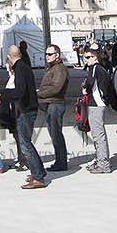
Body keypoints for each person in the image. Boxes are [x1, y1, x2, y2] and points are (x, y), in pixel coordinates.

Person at [0, 43, 47, 189]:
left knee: (25, 144)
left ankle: (38, 177)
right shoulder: (24, 66)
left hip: (26, 110)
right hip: (27, 109)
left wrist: (3, 96)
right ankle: (38, 171)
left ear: (9, 56)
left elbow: (19, 92)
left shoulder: (19, 68)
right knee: (26, 142)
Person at [79, 46, 116, 173]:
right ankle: (100, 159)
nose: (86, 60)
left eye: (89, 57)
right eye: (85, 57)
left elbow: (90, 83)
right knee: (97, 134)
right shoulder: (96, 68)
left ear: (96, 58)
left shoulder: (95, 68)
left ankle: (103, 163)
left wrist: (85, 88)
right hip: (97, 103)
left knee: (98, 134)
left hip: (97, 104)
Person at [38, 44, 69, 172]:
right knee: (54, 133)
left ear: (57, 55)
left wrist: (39, 93)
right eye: (46, 54)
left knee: (56, 134)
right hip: (51, 104)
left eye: (50, 54)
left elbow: (56, 88)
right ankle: (60, 160)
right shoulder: (53, 68)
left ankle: (61, 162)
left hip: (55, 104)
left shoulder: (59, 69)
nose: (47, 56)